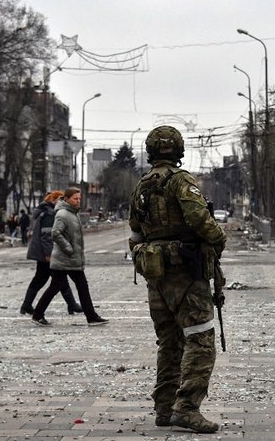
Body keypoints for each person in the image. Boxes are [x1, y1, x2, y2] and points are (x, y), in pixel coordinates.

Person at [128, 126, 227, 433]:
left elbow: (134, 230)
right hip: (185, 272)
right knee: (200, 340)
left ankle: (164, 407)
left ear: (151, 152)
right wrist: (218, 238)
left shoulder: (141, 186)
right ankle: (186, 407)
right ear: (179, 151)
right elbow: (199, 219)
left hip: (156, 275)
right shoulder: (181, 181)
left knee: (169, 343)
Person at [31, 187, 108, 327]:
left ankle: (91, 316)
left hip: (72, 259)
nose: (78, 201)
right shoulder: (63, 214)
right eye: (75, 198)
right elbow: (55, 233)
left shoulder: (73, 213)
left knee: (80, 286)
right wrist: (68, 248)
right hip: (64, 259)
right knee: (56, 287)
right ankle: (37, 314)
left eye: (79, 198)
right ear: (66, 199)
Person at [20, 191, 82, 316]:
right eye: (61, 200)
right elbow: (47, 236)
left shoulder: (46, 211)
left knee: (41, 279)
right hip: (47, 254)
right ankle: (72, 305)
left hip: (44, 253)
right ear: (55, 201)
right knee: (60, 278)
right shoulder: (50, 213)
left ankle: (26, 305)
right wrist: (49, 255)